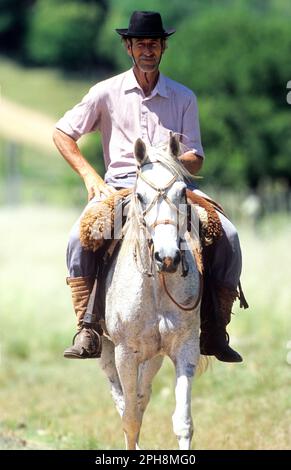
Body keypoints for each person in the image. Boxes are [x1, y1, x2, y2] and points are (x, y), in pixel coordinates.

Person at [53, 11, 244, 363]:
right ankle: (87, 326)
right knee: (78, 239)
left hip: (174, 188)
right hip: (123, 189)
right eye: (140, 43)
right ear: (128, 47)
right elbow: (62, 133)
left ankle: (216, 328)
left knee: (228, 235)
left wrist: (166, 167)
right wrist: (90, 177)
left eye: (153, 44)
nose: (147, 50)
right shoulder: (105, 93)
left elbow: (196, 157)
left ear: (163, 47)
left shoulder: (184, 97)